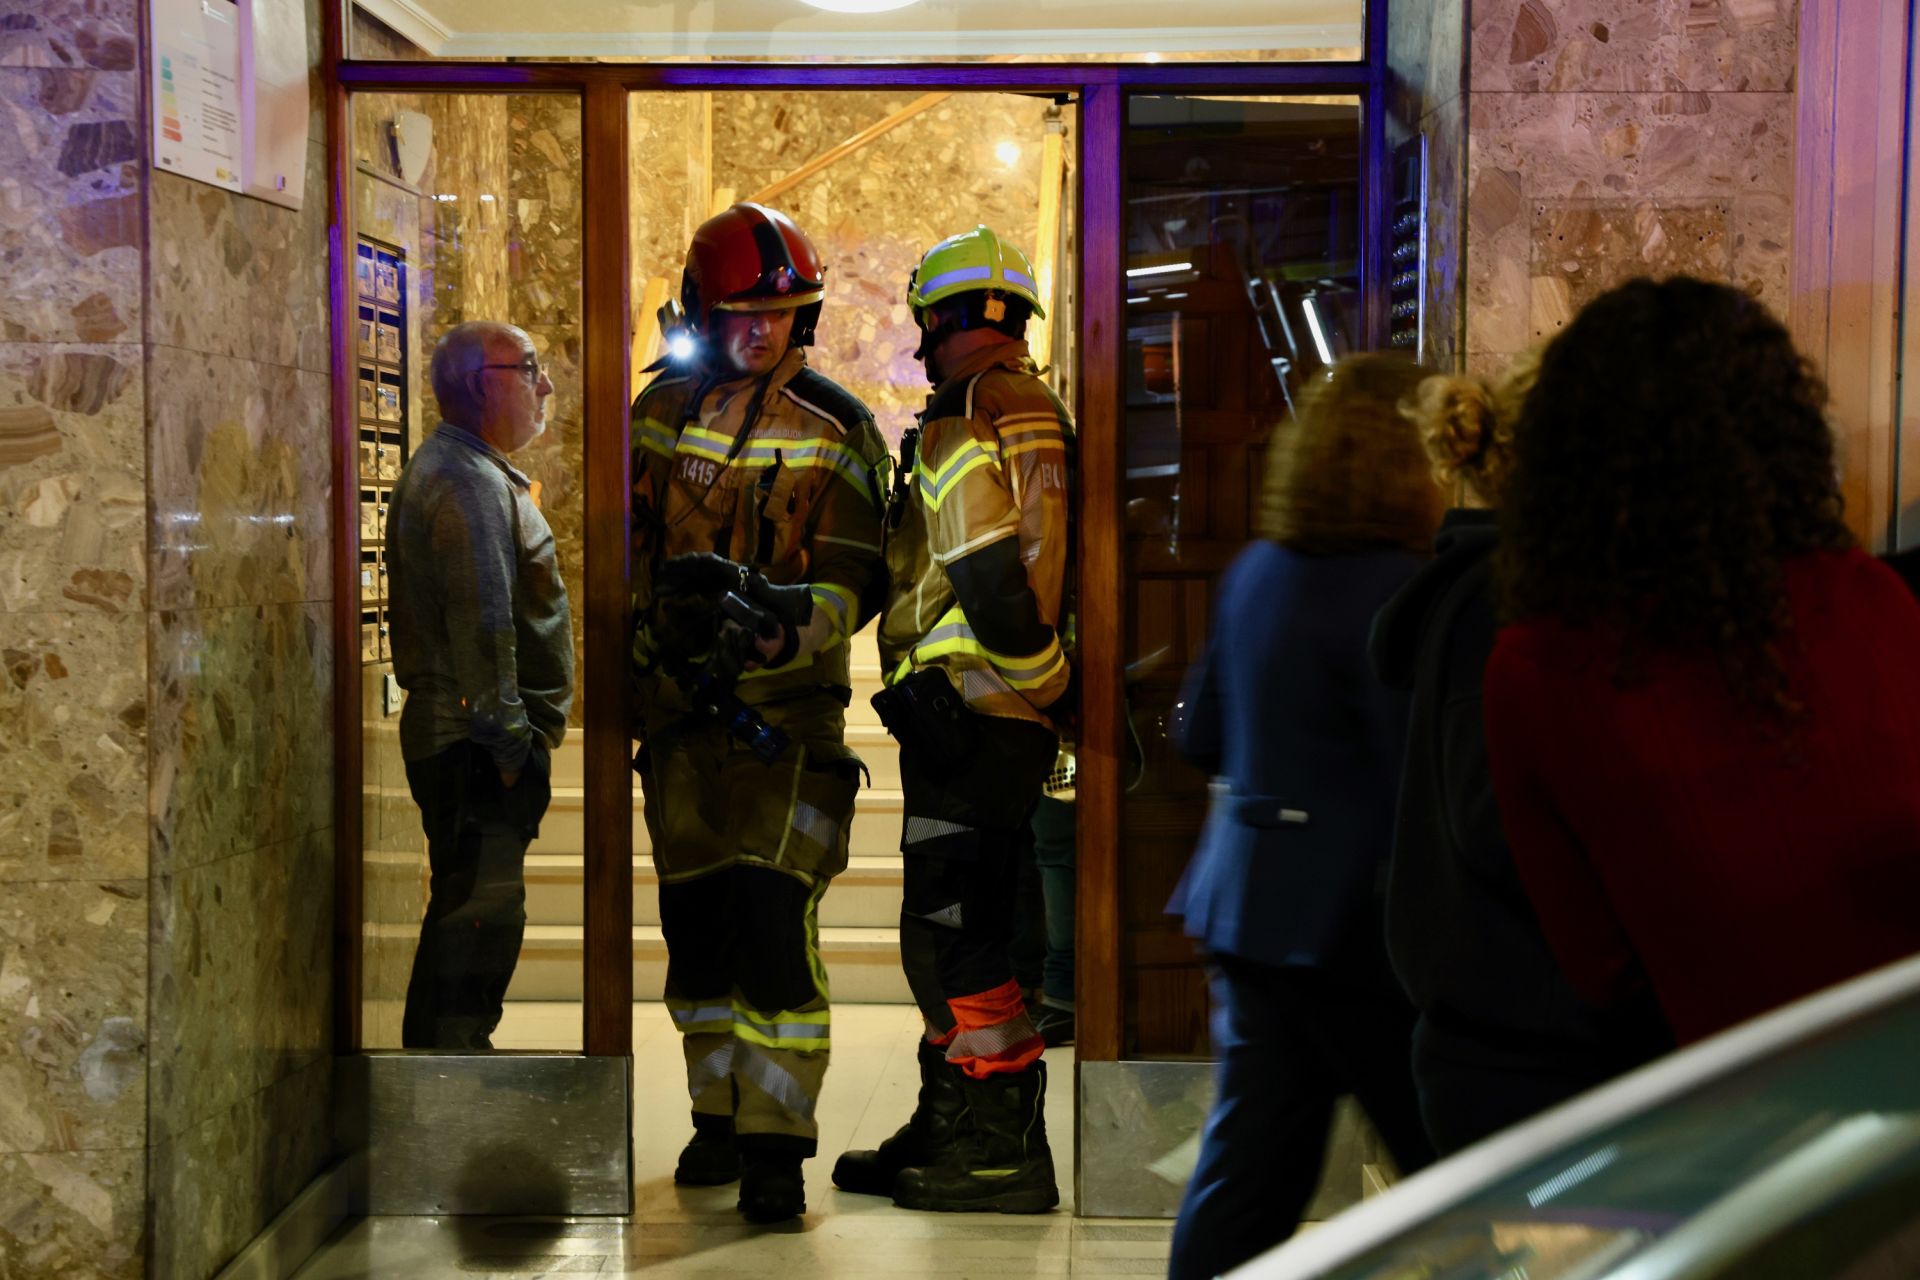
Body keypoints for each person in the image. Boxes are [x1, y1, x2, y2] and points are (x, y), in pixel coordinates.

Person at [1485, 275, 1920, 1050]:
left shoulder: (1539, 670)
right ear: (1787, 435)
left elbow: (1599, 965)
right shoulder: (1870, 597)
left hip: (1748, 1097)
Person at [628, 202, 888, 1225]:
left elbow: (853, 583)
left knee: (777, 931)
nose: (764, 331)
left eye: (784, 315)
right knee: (697, 936)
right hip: (680, 726)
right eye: (742, 314)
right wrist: (649, 648)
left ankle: (778, 1146)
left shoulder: (839, 427)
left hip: (789, 726)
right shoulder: (655, 416)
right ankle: (717, 1118)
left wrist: (786, 631)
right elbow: (625, 550)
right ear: (700, 306)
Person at [1166, 354, 1439, 1280]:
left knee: (1246, 1182)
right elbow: (1420, 775)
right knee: (1464, 1176)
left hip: (1248, 911)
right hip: (1357, 933)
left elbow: (1201, 735)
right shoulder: (1403, 588)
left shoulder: (1256, 570)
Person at [1369, 356, 1671, 1157]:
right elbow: (1502, 827)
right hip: (1528, 1064)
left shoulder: (1502, 597)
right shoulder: (1508, 607)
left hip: (1521, 1047)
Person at [832, 225, 1075, 1214]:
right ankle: (953, 1117)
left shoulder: (967, 414)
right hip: (994, 719)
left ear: (938, 317)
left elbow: (981, 567)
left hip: (975, 716)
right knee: (972, 925)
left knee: (955, 932)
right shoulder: (1031, 402)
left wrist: (1043, 683)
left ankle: (998, 1142)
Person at [388, 320, 573, 1051]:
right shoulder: (464, 481)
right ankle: (447, 1076)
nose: (545, 385)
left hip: (476, 742)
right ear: (475, 384)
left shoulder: (475, 471)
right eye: (528, 367)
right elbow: (485, 625)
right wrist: (511, 750)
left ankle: (450, 1068)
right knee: (476, 920)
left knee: (480, 913)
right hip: (474, 746)